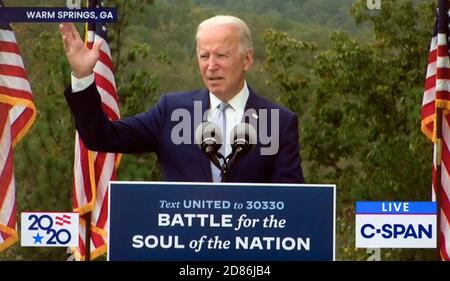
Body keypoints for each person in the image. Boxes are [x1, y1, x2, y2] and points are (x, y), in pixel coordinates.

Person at [59, 15, 304, 183]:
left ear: (247, 59)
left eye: (221, 55)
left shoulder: (278, 122)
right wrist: (83, 76)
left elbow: (290, 201)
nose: (211, 66)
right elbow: (101, 137)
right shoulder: (171, 111)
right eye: (204, 56)